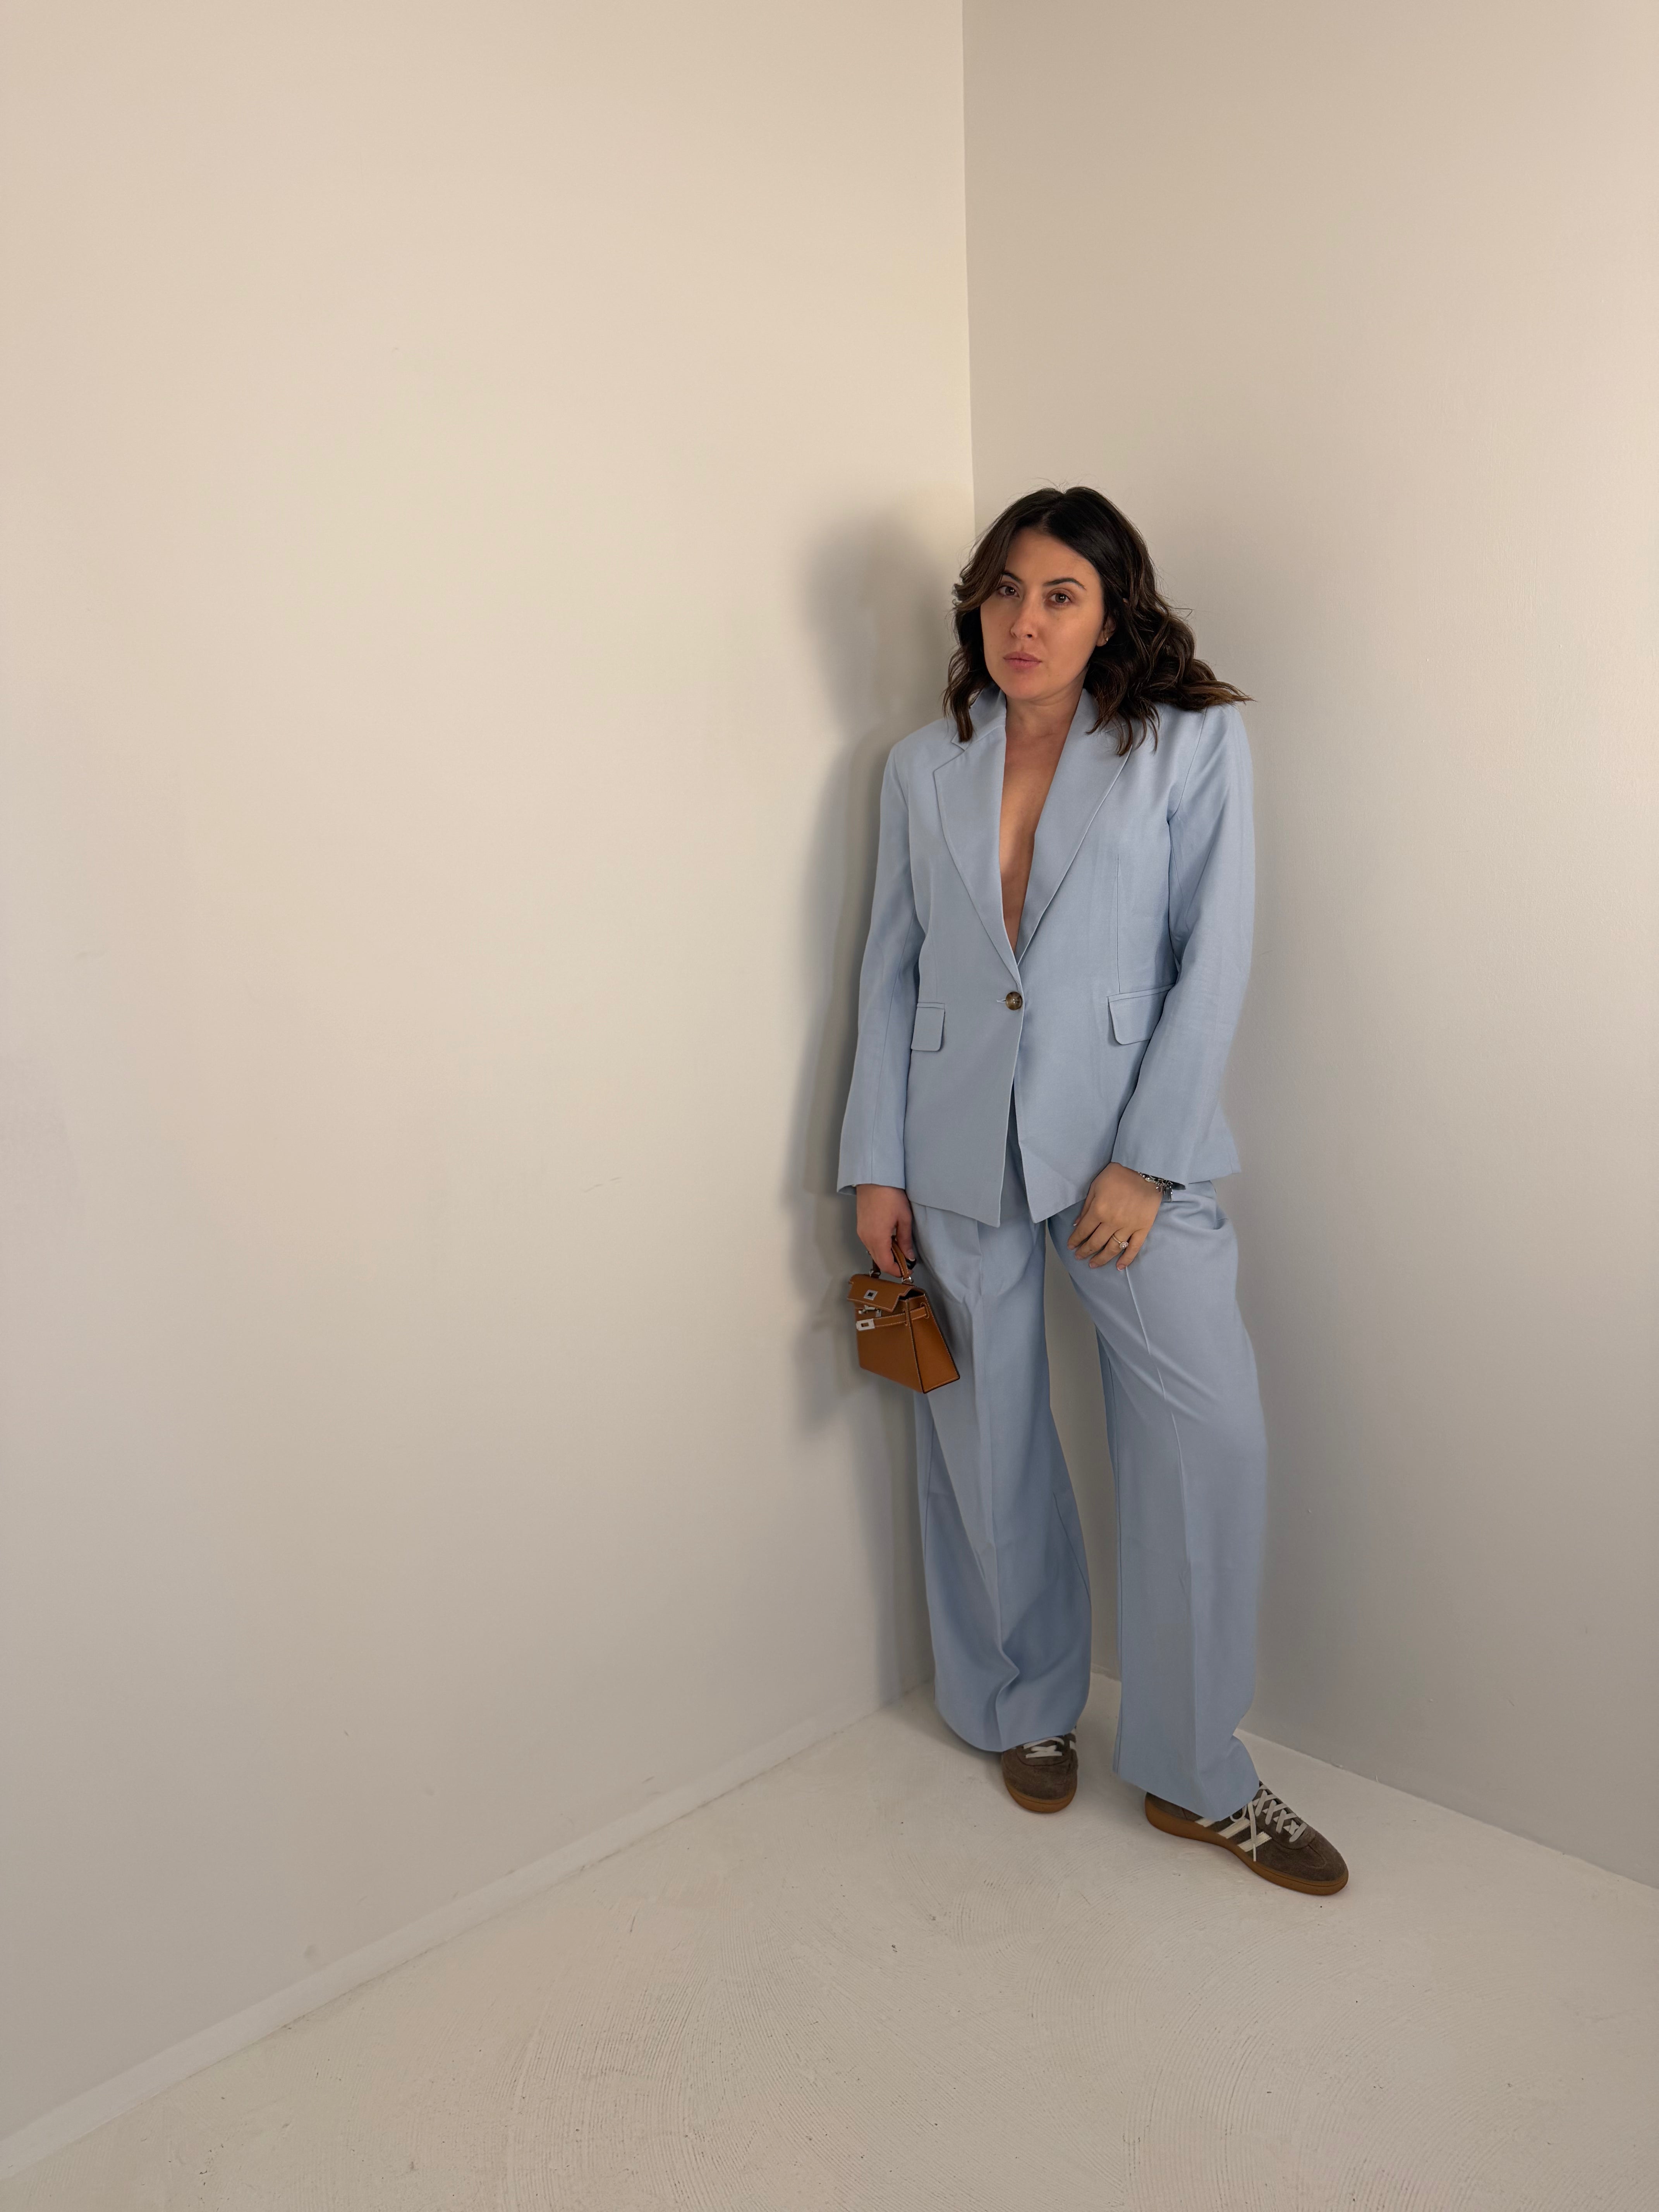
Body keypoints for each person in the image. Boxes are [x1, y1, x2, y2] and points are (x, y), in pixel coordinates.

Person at [837, 486, 1347, 1896]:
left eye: (1059, 593)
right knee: (983, 1440)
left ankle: (1194, 1772)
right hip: (952, 1148)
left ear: (1112, 609)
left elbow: (1213, 954)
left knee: (1205, 1443)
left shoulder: (1187, 744)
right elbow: (891, 973)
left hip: (1124, 1150)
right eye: (1003, 590)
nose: (1024, 619)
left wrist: (1146, 1158)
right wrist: (874, 1161)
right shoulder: (920, 765)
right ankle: (1024, 1706)